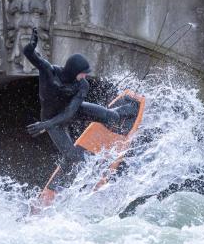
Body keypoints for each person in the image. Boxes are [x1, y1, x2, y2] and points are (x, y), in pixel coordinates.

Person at [23, 27, 137, 186]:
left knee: (112, 117)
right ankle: (77, 169)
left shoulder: (82, 85)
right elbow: (30, 55)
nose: (85, 76)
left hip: (71, 111)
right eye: (83, 72)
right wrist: (30, 47)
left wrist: (44, 125)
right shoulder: (49, 72)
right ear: (73, 71)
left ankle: (129, 108)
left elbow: (70, 112)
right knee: (73, 157)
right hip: (52, 120)